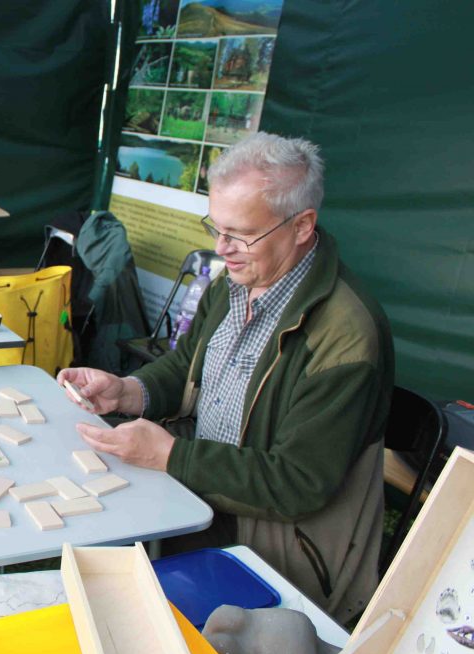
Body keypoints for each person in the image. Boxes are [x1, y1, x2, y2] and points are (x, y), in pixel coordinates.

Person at [59, 132, 393, 623]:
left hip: (277, 544)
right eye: (216, 228)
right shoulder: (238, 279)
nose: (222, 248)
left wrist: (170, 456)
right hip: (199, 491)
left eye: (240, 234)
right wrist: (128, 390)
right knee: (85, 553)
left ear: (302, 225)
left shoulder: (346, 336)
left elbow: (297, 484)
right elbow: (188, 365)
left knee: (120, 602)